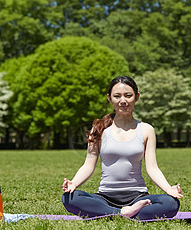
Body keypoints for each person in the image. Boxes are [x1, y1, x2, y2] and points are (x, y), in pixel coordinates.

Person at [62, 76, 183, 220]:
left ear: (136, 97)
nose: (123, 101)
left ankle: (112, 213)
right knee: (69, 198)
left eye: (128, 95)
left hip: (138, 196)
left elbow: (152, 168)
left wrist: (168, 188)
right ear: (109, 98)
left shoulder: (146, 129)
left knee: (170, 203)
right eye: (117, 96)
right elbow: (88, 165)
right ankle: (123, 213)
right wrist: (73, 183)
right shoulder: (99, 129)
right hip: (105, 197)